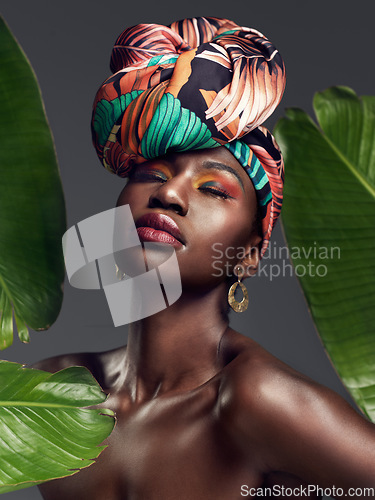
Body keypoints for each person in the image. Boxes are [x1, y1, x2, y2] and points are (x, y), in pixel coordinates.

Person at [34, 17, 375, 499]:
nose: (170, 193)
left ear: (250, 255)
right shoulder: (55, 389)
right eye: (152, 174)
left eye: (213, 188)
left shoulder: (255, 400)